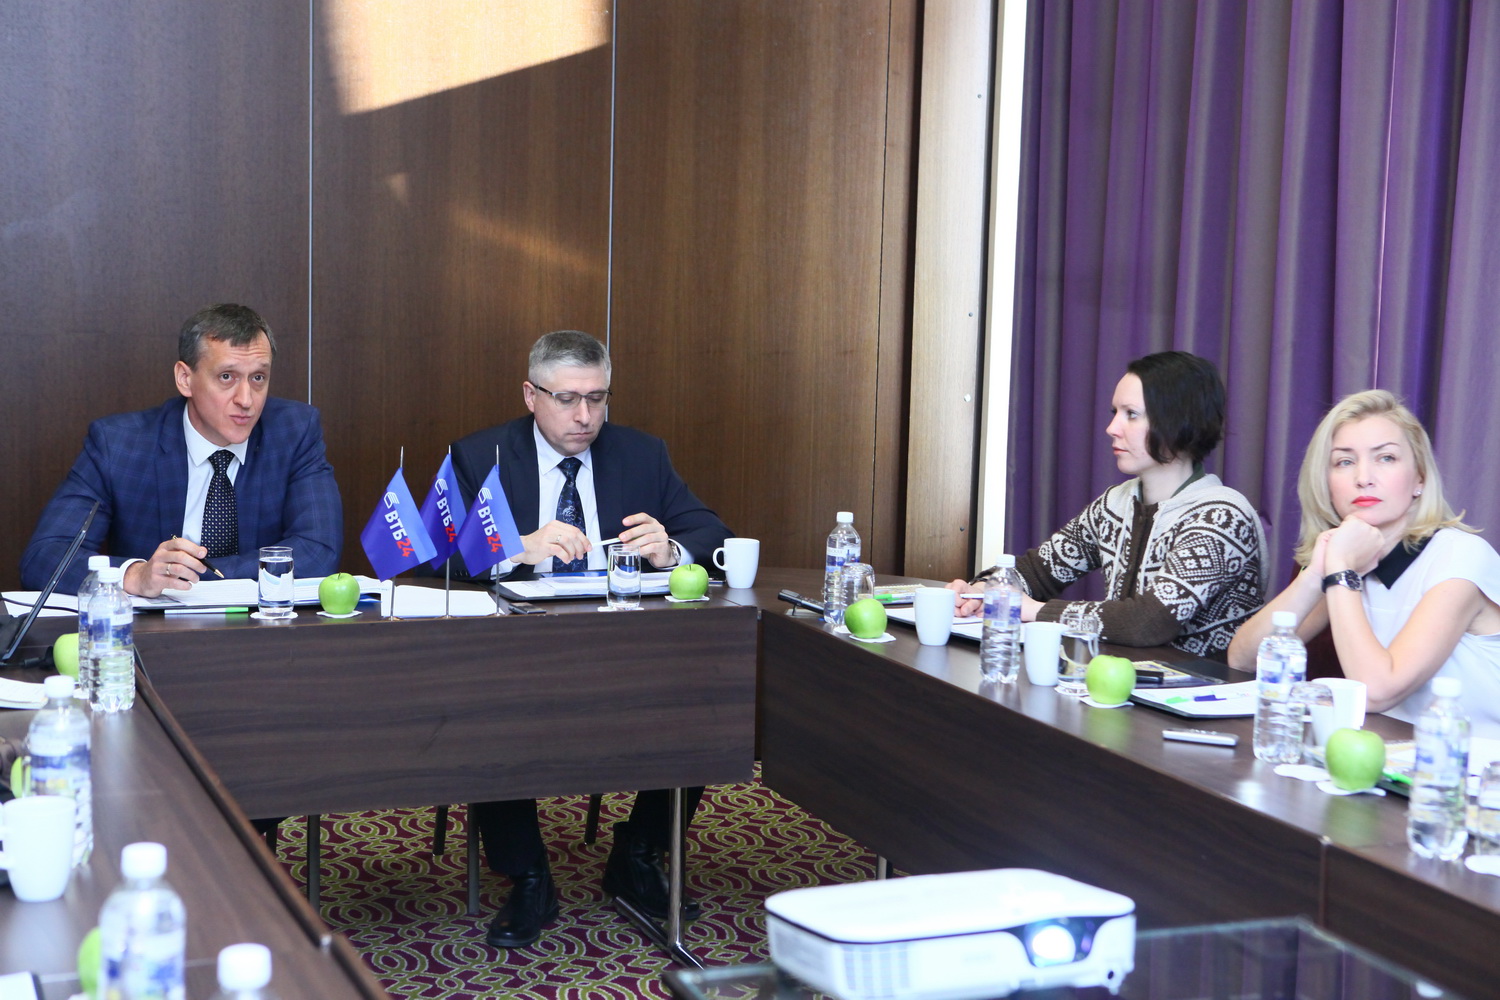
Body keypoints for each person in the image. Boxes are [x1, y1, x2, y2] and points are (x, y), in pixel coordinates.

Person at [449, 329, 731, 949]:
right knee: (481, 699)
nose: (584, 416)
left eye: (597, 399)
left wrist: (671, 549)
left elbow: (713, 533)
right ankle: (528, 876)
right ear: (531, 396)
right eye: (567, 399)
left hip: (627, 647)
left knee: (708, 690)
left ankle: (639, 852)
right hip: (517, 651)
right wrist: (513, 549)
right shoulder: (481, 457)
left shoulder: (641, 454)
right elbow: (434, 560)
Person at [948, 351, 1267, 658]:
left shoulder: (1222, 516)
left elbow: (1148, 622)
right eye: (1114, 413)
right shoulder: (1116, 503)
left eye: (1131, 414)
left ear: (1178, 421)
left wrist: (1034, 610)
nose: (1112, 428)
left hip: (1202, 689)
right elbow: (1039, 571)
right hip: (1122, 682)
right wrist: (982, 590)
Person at [1227, 390, 1500, 736]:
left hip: (1475, 763)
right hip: (1393, 755)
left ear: (1419, 478)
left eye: (1386, 458)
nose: (1363, 477)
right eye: (1344, 462)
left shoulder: (1461, 556)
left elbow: (1378, 690)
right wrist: (1317, 573)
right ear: (1326, 483)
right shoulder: (1353, 554)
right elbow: (1244, 659)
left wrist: (1341, 570)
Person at [21, 304, 342, 595]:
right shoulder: (119, 444)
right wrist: (136, 575)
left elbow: (318, 550)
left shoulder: (294, 432)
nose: (246, 399)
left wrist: (187, 578)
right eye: (227, 377)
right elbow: (45, 557)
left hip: (259, 630)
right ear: (185, 378)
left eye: (258, 377)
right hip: (155, 634)